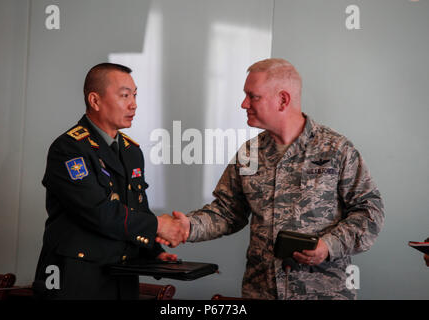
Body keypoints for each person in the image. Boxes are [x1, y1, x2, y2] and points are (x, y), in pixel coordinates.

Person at [158, 58, 385, 300]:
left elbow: (370, 212)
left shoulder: (336, 149)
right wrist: (187, 227)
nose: (243, 104)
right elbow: (227, 213)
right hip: (261, 292)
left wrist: (328, 246)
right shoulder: (249, 153)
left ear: (283, 100)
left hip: (321, 293)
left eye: (252, 96)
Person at [34, 63, 186, 300]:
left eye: (135, 95)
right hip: (76, 279)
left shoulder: (131, 151)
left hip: (121, 278)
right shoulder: (69, 148)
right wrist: (159, 226)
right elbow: (99, 212)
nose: (133, 104)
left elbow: (135, 208)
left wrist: (153, 252)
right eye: (125, 95)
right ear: (95, 101)